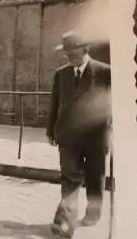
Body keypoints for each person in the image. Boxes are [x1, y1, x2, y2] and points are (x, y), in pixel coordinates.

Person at [47, 31, 112, 239]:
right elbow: (55, 104)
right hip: (67, 136)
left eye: (72, 52)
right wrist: (50, 130)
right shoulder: (61, 74)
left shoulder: (104, 72)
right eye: (66, 54)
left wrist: (112, 133)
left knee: (95, 177)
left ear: (85, 49)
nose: (69, 57)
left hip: (95, 136)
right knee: (69, 178)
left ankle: (93, 214)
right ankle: (64, 223)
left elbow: (112, 106)